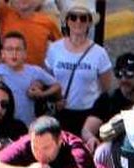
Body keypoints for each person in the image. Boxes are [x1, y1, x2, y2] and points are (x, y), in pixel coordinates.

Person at [42, 0, 110, 136]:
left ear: (89, 23)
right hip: (62, 113)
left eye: (83, 18)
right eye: (73, 17)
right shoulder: (54, 49)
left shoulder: (99, 53)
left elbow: (105, 87)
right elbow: (47, 80)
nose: (78, 22)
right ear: (67, 21)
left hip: (89, 114)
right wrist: (55, 100)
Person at [0, 30, 58, 125]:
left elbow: (56, 85)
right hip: (3, 126)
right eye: (9, 49)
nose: (14, 53)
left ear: (25, 53)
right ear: (2, 53)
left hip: (27, 125)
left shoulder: (34, 71)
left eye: (18, 49)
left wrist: (42, 94)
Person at [80, 49, 134, 150]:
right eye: (119, 74)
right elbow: (87, 130)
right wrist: (91, 139)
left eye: (129, 74)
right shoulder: (107, 100)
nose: (123, 79)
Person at [0, 0, 58, 68]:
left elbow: (60, 46)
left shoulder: (47, 22)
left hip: (37, 72)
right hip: (9, 71)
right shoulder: (5, 14)